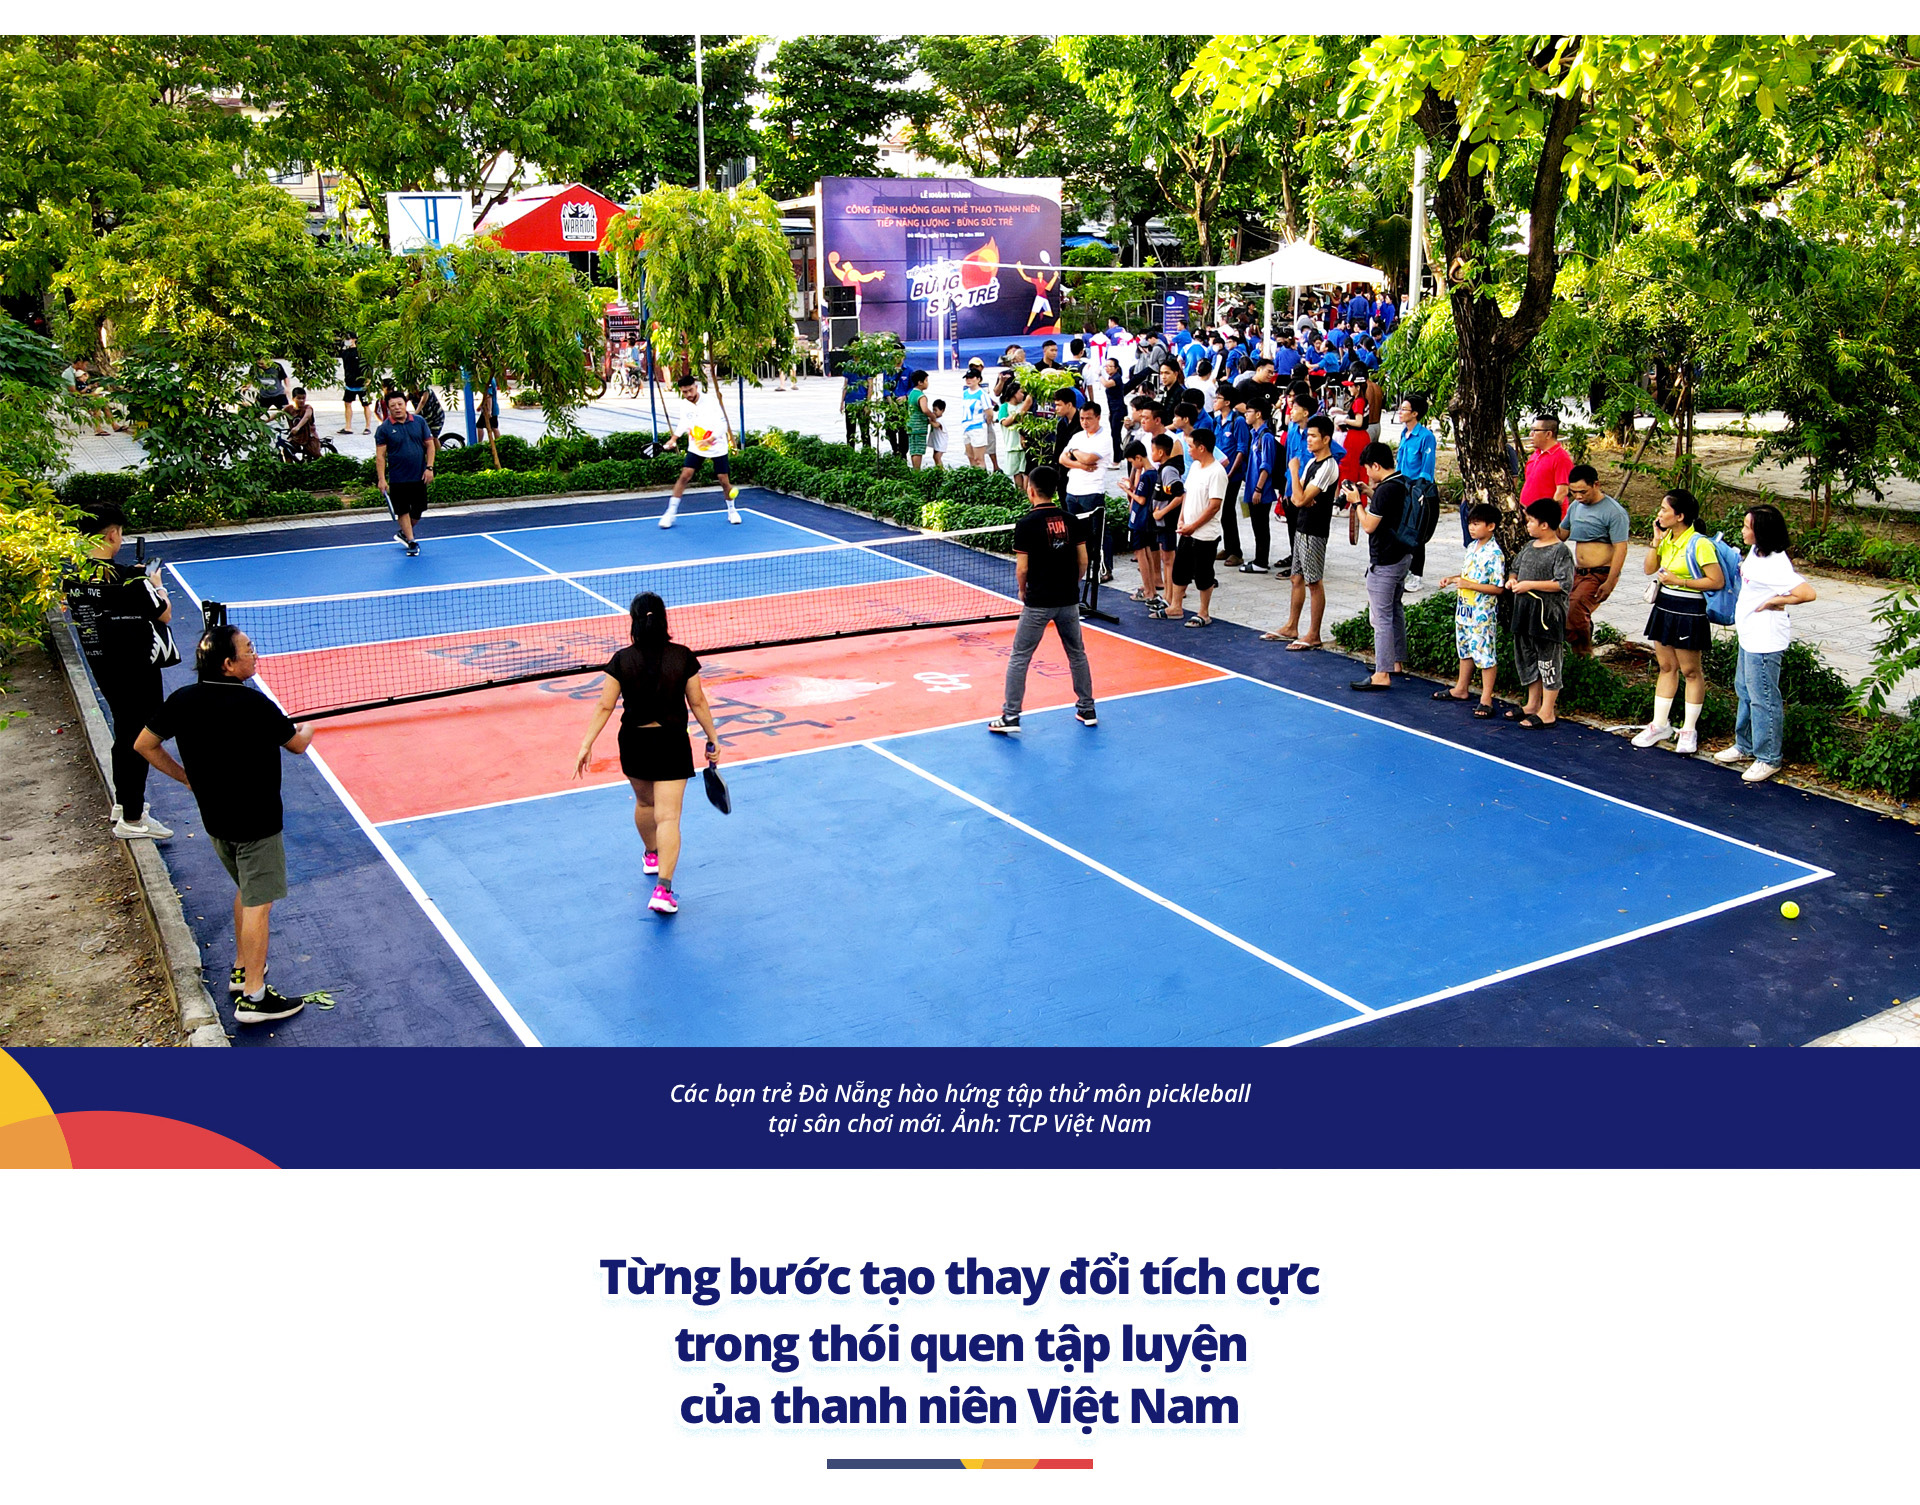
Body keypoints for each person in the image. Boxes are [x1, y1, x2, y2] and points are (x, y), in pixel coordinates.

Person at [134, 624, 316, 1023]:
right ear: (228, 664)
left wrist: (186, 778)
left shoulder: (182, 700)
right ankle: (254, 996)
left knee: (247, 891)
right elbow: (297, 744)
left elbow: (144, 744)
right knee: (259, 905)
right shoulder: (254, 703)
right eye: (248, 650)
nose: (255, 654)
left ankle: (241, 969)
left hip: (216, 821)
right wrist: (309, 727)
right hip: (258, 823)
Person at [573, 592, 724, 916]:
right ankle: (663, 890)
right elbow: (698, 702)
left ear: (634, 622)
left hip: (634, 743)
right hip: (671, 743)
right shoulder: (682, 657)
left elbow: (605, 706)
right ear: (664, 620)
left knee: (645, 803)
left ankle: (651, 854)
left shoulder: (622, 660)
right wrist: (712, 738)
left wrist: (586, 744)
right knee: (668, 817)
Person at [64, 504, 175, 841]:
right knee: (139, 738)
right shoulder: (132, 579)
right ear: (112, 534)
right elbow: (164, 613)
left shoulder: (73, 579)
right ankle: (132, 817)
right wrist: (156, 586)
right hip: (137, 667)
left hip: (102, 664)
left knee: (124, 731)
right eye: (121, 533)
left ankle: (125, 803)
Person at [989, 467, 1096, 733]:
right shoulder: (1072, 520)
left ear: (1031, 491)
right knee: (1077, 653)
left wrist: (1022, 590)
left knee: (1020, 656)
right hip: (1068, 600)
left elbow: (1022, 568)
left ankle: (1011, 716)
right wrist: (1073, 583)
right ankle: (1087, 708)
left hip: (1038, 601)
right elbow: (1083, 560)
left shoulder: (1026, 524)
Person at [1714, 504, 1816, 783]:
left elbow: (1807, 593)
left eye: (1747, 527)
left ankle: (1768, 757)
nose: (1742, 530)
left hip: (1764, 639)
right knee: (1744, 690)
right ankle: (1745, 744)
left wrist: (1777, 600)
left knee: (1764, 699)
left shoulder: (1775, 564)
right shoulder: (1757, 552)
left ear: (1762, 532)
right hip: (1749, 634)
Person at [1633, 488, 1725, 755]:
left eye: (1664, 509)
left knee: (1690, 670)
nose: (1659, 514)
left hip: (1689, 610)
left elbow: (1716, 581)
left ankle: (1689, 729)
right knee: (1666, 666)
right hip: (1665, 606)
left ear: (1680, 516)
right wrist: (1656, 540)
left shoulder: (1699, 544)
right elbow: (1649, 568)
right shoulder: (1667, 539)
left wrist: (1679, 581)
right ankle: (1659, 724)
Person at [1268, 413, 1339, 649]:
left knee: (1313, 582)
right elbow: (1298, 496)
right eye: (1308, 435)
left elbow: (1300, 498)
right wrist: (1302, 495)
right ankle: (1292, 625)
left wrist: (1294, 471)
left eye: (1313, 436)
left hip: (1315, 530)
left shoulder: (1327, 466)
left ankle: (1313, 633)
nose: (1308, 440)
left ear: (1326, 439)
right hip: (1301, 526)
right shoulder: (1312, 463)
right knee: (1296, 577)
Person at [1504, 499, 1576, 726]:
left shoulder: (1560, 551)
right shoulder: (1528, 547)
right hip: (1524, 613)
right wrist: (1513, 580)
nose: (1527, 525)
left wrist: (1530, 585)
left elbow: (1563, 583)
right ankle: (1532, 703)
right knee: (1528, 657)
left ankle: (1547, 711)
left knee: (1548, 661)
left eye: (1531, 521)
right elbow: (1515, 569)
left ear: (1544, 525)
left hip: (1547, 616)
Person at [1348, 441, 1414, 690]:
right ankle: (1394, 662)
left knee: (1380, 618)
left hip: (1385, 560)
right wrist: (1369, 492)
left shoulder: (1386, 490)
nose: (1367, 473)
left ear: (1375, 465)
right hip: (1403, 556)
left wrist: (1357, 502)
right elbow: (1389, 509)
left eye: (1367, 468)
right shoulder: (1401, 482)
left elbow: (1368, 525)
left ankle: (1382, 673)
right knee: (1395, 610)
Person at [1436, 502, 1506, 717]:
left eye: (1477, 524)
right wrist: (1452, 579)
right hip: (1465, 610)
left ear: (1491, 526)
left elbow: (1497, 587)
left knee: (1484, 653)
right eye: (1470, 524)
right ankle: (1461, 687)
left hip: (1481, 613)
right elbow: (1468, 574)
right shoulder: (1472, 547)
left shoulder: (1494, 554)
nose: (1472, 528)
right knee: (1465, 648)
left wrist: (1469, 585)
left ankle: (1486, 698)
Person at [1558, 464, 1632, 656]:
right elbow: (1561, 535)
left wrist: (1610, 582)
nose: (1578, 496)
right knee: (1564, 609)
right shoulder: (1575, 507)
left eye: (1583, 492)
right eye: (1573, 492)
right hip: (1578, 571)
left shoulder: (1614, 512)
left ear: (1596, 485)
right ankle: (1575, 654)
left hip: (1600, 572)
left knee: (1575, 608)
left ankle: (1585, 654)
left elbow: (1621, 549)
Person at [659, 373, 742, 528]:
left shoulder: (711, 402)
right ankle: (670, 513)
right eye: (684, 392)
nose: (688, 394)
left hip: (717, 446)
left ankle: (732, 511)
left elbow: (723, 425)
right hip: (696, 447)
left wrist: (709, 440)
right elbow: (684, 422)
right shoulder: (685, 404)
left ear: (696, 387)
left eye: (690, 390)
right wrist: (674, 439)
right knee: (685, 475)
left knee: (723, 480)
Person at [1165, 428, 1226, 629]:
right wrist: (1182, 519)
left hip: (1205, 534)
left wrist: (1193, 526)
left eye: (1191, 446)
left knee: (1203, 573)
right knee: (1180, 569)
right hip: (1188, 530)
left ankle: (1203, 612)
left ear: (1202, 448)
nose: (1188, 450)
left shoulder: (1217, 472)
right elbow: (1187, 494)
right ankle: (1176, 606)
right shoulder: (1195, 467)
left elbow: (1214, 506)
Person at [1058, 399, 1111, 592]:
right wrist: (1079, 463)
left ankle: (1104, 568)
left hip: (1092, 491)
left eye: (1088, 418)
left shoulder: (1104, 438)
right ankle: (1078, 566)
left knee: (1098, 533)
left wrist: (1075, 454)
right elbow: (1063, 458)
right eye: (1082, 418)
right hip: (1073, 491)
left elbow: (1090, 458)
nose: (1085, 422)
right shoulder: (1077, 437)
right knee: (1075, 533)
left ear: (1098, 418)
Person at [373, 390, 435, 555]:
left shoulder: (419, 422)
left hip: (419, 475)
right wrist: (381, 479)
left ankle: (404, 533)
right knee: (402, 510)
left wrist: (429, 468)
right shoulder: (384, 429)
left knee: (419, 509)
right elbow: (380, 456)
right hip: (398, 478)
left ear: (405, 404)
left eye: (400, 404)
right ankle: (411, 541)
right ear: (388, 408)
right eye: (393, 405)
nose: (397, 408)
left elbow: (430, 445)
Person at [1239, 394, 1279, 574]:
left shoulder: (1266, 437)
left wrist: (1258, 489)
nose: (1246, 414)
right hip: (1253, 488)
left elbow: (1266, 466)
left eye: (1249, 411)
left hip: (1261, 491)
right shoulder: (1254, 435)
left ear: (1258, 414)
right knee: (1257, 526)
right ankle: (1259, 559)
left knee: (1261, 526)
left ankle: (1261, 562)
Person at [1122, 439, 1164, 608]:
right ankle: (1151, 588)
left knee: (1141, 554)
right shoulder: (1154, 473)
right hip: (1148, 520)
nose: (1134, 465)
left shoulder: (1146, 476)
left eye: (1132, 462)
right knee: (1147, 552)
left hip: (1140, 520)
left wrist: (1127, 490)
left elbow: (1141, 499)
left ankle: (1148, 590)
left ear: (1138, 458)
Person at [1147, 437, 1183, 616]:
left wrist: (1162, 512)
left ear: (1161, 452)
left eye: (1153, 450)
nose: (1151, 453)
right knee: (1165, 558)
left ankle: (1170, 597)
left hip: (1167, 522)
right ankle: (1167, 596)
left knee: (1169, 560)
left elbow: (1179, 494)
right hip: (1161, 523)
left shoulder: (1168, 470)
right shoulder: (1163, 468)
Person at [1520, 413, 1574, 522]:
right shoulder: (1535, 454)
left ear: (1548, 434)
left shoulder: (1561, 458)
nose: (1531, 434)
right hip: (1529, 517)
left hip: (1545, 521)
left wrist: (1546, 517)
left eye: (1535, 430)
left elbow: (1562, 491)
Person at [995, 371, 1029, 476]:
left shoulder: (1024, 404)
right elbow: (1005, 422)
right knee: (1016, 472)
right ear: (1014, 393)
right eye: (1021, 392)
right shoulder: (1004, 407)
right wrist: (1019, 412)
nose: (1023, 395)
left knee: (1025, 471)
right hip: (1012, 445)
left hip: (1024, 445)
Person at [958, 367, 992, 469]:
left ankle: (982, 476)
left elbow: (989, 413)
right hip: (966, 428)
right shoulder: (965, 393)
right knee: (971, 457)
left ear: (978, 379)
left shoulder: (982, 394)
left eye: (971, 378)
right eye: (967, 378)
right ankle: (974, 476)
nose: (968, 380)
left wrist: (985, 423)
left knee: (978, 459)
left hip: (978, 428)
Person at [339, 335, 372, 433]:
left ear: (354, 339)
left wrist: (369, 378)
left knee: (366, 404)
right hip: (350, 382)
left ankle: (368, 427)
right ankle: (348, 427)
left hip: (362, 383)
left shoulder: (361, 353)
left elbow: (368, 365)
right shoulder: (345, 353)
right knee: (347, 403)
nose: (347, 341)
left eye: (348, 339)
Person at [905, 368, 933, 470]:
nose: (927, 383)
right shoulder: (921, 396)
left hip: (911, 425)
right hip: (919, 427)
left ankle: (914, 469)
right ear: (920, 382)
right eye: (926, 380)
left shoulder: (911, 393)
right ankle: (917, 470)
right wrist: (933, 416)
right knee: (918, 450)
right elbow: (925, 410)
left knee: (913, 449)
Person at [282, 385, 321, 457]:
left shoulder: (308, 408)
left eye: (303, 398)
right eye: (299, 398)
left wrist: (298, 427)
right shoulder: (289, 409)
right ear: (293, 399)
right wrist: (265, 421)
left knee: (315, 454)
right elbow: (278, 414)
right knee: (287, 451)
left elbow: (306, 417)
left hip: (309, 436)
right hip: (296, 437)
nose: (302, 401)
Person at [841, 363, 872, 448]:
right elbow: (845, 385)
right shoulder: (849, 365)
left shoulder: (866, 366)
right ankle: (850, 451)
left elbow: (870, 386)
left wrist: (868, 404)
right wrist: (842, 402)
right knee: (850, 431)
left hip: (862, 402)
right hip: (850, 402)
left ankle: (867, 451)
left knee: (865, 432)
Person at [927, 398, 949, 469]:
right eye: (933, 410)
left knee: (937, 457)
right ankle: (938, 469)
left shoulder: (941, 420)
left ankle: (941, 471)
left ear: (942, 410)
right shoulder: (936, 418)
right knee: (935, 456)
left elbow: (936, 425)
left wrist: (930, 421)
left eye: (936, 410)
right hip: (937, 442)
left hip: (941, 443)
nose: (934, 412)